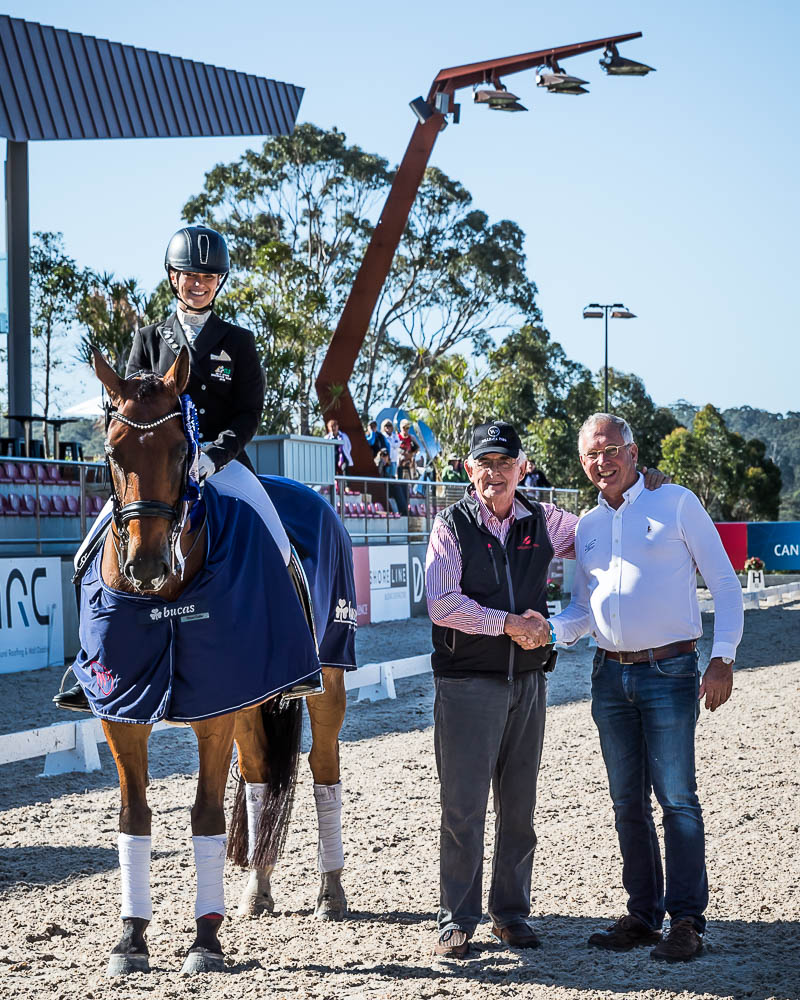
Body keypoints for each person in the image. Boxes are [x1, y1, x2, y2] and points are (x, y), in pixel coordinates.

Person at [425, 419, 671, 960]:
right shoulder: (450, 525)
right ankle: (458, 917)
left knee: (520, 808)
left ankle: (510, 913)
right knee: (462, 807)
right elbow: (442, 604)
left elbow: (601, 528)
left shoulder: (547, 519)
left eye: (505, 463)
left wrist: (640, 485)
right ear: (470, 470)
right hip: (467, 681)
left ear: (522, 468)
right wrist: (509, 622)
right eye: (485, 463)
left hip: (530, 682)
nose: (495, 473)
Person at [55, 225, 294, 711]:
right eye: (189, 275)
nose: (198, 283)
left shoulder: (238, 342)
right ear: (173, 278)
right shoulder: (148, 339)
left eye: (208, 276)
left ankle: (295, 646)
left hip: (219, 464)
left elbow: (248, 413)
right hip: (155, 469)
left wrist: (213, 454)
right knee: (86, 556)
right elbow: (123, 402)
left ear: (219, 281)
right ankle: (91, 663)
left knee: (278, 539)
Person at [540, 413, 744, 962]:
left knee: (677, 799)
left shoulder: (675, 501)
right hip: (608, 675)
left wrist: (723, 656)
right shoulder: (585, 527)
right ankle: (642, 914)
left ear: (633, 453)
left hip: (671, 672)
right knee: (627, 800)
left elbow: (724, 582)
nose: (601, 462)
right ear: (582, 464)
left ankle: (687, 921)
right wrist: (550, 631)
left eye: (610, 450)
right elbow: (583, 608)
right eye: (591, 455)